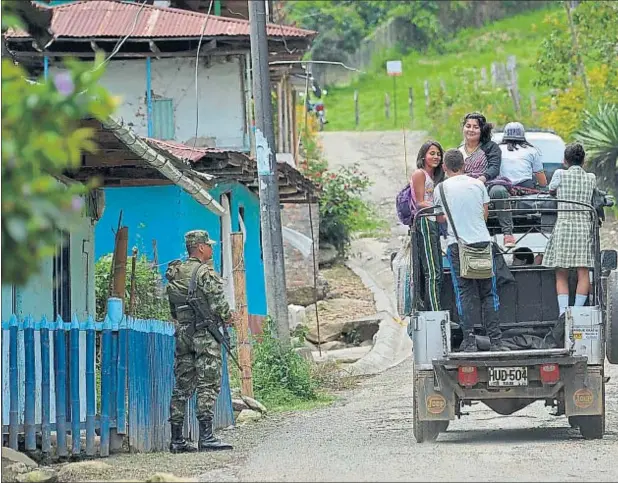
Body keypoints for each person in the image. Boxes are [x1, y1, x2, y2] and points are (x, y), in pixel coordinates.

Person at [165, 230, 233, 453]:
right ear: (201, 248)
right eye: (209, 246)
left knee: (182, 386)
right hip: (204, 334)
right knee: (208, 384)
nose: (212, 249)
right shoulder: (205, 273)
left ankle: (177, 440)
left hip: (183, 334)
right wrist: (229, 317)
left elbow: (174, 310)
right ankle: (206, 437)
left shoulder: (176, 273)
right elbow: (220, 306)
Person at [433, 149, 507, 352]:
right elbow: (484, 214)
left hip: (458, 246)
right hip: (483, 243)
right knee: (489, 294)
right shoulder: (478, 184)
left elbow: (440, 218)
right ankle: (496, 341)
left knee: (464, 293)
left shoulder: (441, 189)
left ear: (445, 167)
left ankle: (470, 340)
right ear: (464, 165)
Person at [543, 143, 596, 316]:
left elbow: (551, 190)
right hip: (583, 227)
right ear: (583, 161)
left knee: (561, 273)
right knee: (583, 272)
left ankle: (563, 315)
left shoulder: (559, 174)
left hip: (564, 226)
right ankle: (578, 313)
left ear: (564, 160)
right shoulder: (591, 178)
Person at [491, 121, 548, 247]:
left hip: (502, 189)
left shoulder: (497, 150)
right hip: (525, 188)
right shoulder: (532, 151)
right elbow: (542, 181)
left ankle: (508, 234)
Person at [410, 140, 445, 311]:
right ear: (423, 156)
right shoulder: (420, 174)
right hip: (425, 221)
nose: (436, 157)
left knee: (438, 271)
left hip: (434, 222)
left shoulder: (435, 177)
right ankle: (435, 312)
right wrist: (439, 210)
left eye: (438, 154)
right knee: (432, 272)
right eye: (432, 153)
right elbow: (420, 202)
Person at [458, 112, 502, 184]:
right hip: (464, 184)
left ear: (482, 130)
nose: (471, 130)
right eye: (468, 126)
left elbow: (494, 167)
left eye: (476, 127)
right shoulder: (459, 151)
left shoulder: (491, 147)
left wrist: (481, 180)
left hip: (487, 183)